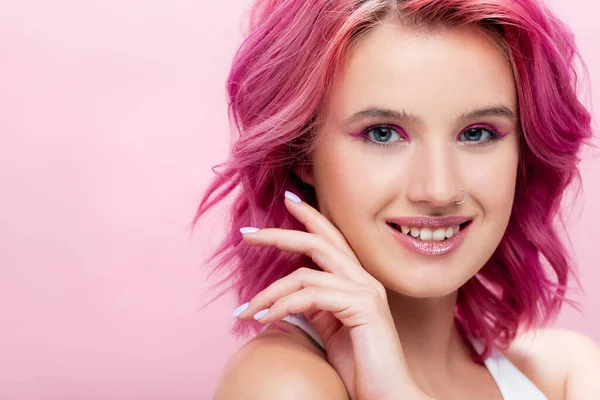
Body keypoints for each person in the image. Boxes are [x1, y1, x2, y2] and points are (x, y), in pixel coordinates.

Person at [196, 0, 599, 398]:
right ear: (302, 153)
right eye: (383, 133)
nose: (439, 191)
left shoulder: (567, 372)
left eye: (477, 133)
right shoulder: (282, 383)